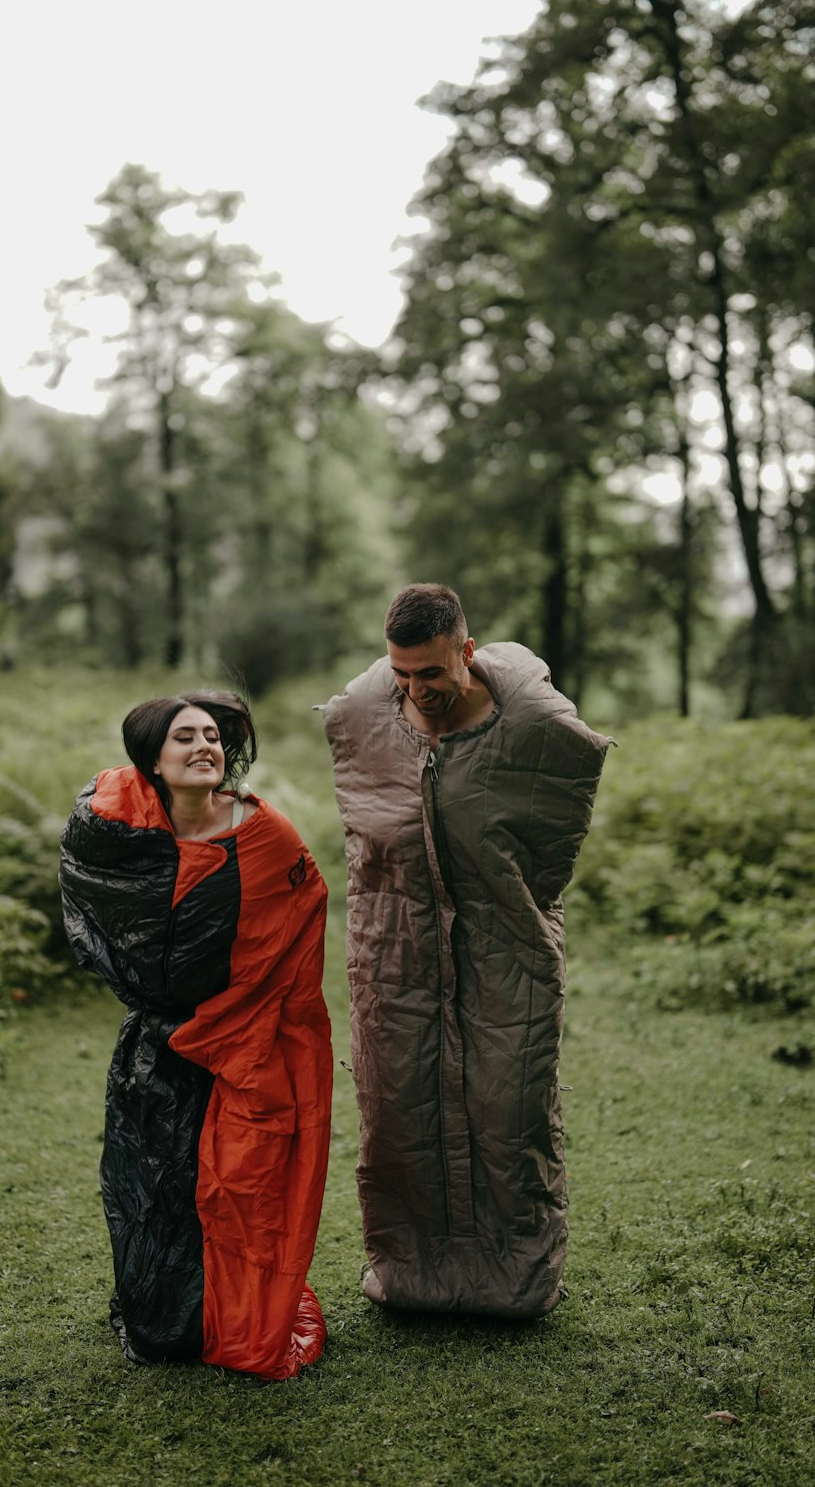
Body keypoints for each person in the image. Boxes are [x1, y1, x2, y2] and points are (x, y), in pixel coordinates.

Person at [321, 584, 612, 1319]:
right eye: (403, 675)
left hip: (506, 945)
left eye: (432, 673)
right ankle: (410, 1275)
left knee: (508, 1113)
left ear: (467, 650)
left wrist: (515, 902)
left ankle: (514, 1282)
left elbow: (556, 839)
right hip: (396, 949)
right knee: (400, 1113)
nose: (418, 689)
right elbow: (363, 829)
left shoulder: (538, 724)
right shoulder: (363, 712)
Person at [60, 690, 333, 1379]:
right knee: (155, 1185)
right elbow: (97, 908)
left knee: (237, 1185)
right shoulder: (117, 833)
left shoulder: (263, 834)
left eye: (211, 735)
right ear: (153, 757)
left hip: (243, 1043)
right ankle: (166, 1314)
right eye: (184, 737)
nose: (203, 746)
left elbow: (298, 924)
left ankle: (232, 1313)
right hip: (158, 1045)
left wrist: (237, 1014)